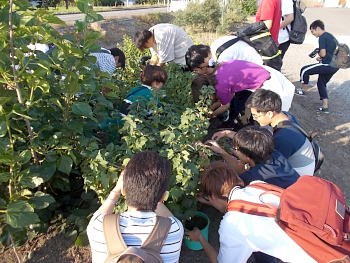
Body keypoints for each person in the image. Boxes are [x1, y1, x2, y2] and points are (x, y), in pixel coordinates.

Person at [184, 161, 317, 263]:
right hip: (321, 231)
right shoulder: (257, 185)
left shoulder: (232, 224)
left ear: (213, 196)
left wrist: (200, 237)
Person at [87, 151, 183, 263]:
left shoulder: (98, 226)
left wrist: (117, 189)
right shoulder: (174, 229)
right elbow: (170, 219)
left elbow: (100, 214)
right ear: (162, 197)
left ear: (123, 190)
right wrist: (154, 193)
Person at [207, 60, 295, 130]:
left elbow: (225, 106)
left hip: (273, 86)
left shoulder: (221, 86)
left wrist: (211, 115)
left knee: (274, 117)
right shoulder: (219, 70)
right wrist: (210, 109)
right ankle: (235, 123)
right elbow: (226, 99)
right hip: (265, 72)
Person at [245, 89, 315, 176]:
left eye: (256, 116)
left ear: (270, 114)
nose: (255, 119)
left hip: (299, 175)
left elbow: (270, 167)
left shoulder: (283, 139)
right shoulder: (287, 116)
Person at [204, 126, 299, 189]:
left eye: (236, 148)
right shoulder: (274, 153)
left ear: (248, 156)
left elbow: (239, 171)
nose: (234, 149)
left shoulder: (252, 179)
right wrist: (226, 134)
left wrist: (205, 160)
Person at [296, 20, 339, 114]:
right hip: (335, 66)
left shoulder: (322, 37)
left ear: (318, 28)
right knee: (321, 83)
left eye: (312, 31)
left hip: (327, 65)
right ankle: (325, 107)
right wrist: (322, 57)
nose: (312, 33)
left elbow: (323, 53)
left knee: (305, 70)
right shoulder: (330, 36)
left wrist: (320, 55)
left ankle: (304, 90)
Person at [185, 39, 263, 73]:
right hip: (258, 57)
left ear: (202, 61)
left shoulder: (222, 59)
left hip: (259, 67)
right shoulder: (216, 45)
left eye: (200, 66)